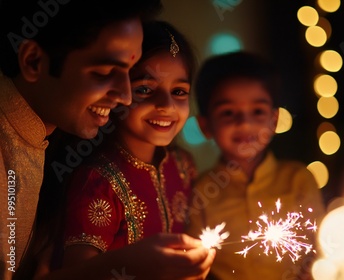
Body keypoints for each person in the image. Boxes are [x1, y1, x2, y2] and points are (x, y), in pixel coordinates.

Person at [0, 0, 214, 279]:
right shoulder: (94, 177)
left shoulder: (46, 139)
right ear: (33, 61)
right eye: (104, 73)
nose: (125, 96)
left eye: (128, 72)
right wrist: (130, 264)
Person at [60, 20, 203, 268]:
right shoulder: (97, 180)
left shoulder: (183, 166)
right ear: (119, 92)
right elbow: (79, 272)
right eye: (145, 90)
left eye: (179, 92)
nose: (167, 106)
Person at [187, 52, 325, 280]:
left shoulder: (299, 178)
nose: (244, 122)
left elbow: (319, 246)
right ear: (205, 125)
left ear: (275, 120)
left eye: (258, 111)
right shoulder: (200, 191)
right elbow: (195, 263)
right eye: (228, 112)